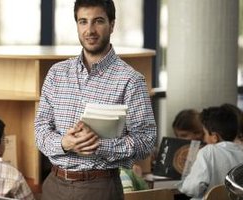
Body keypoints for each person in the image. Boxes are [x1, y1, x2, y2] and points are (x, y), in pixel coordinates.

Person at [34, 0, 157, 199]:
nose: (89, 30)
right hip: (53, 186)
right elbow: (40, 130)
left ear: (112, 24)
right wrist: (64, 143)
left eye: (98, 21)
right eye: (83, 21)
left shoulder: (131, 80)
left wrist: (98, 145)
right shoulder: (56, 74)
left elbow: (146, 141)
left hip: (100, 188)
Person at [178, 105, 243, 200]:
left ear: (214, 137)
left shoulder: (208, 151)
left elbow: (192, 189)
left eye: (204, 133)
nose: (203, 138)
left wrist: (183, 183)